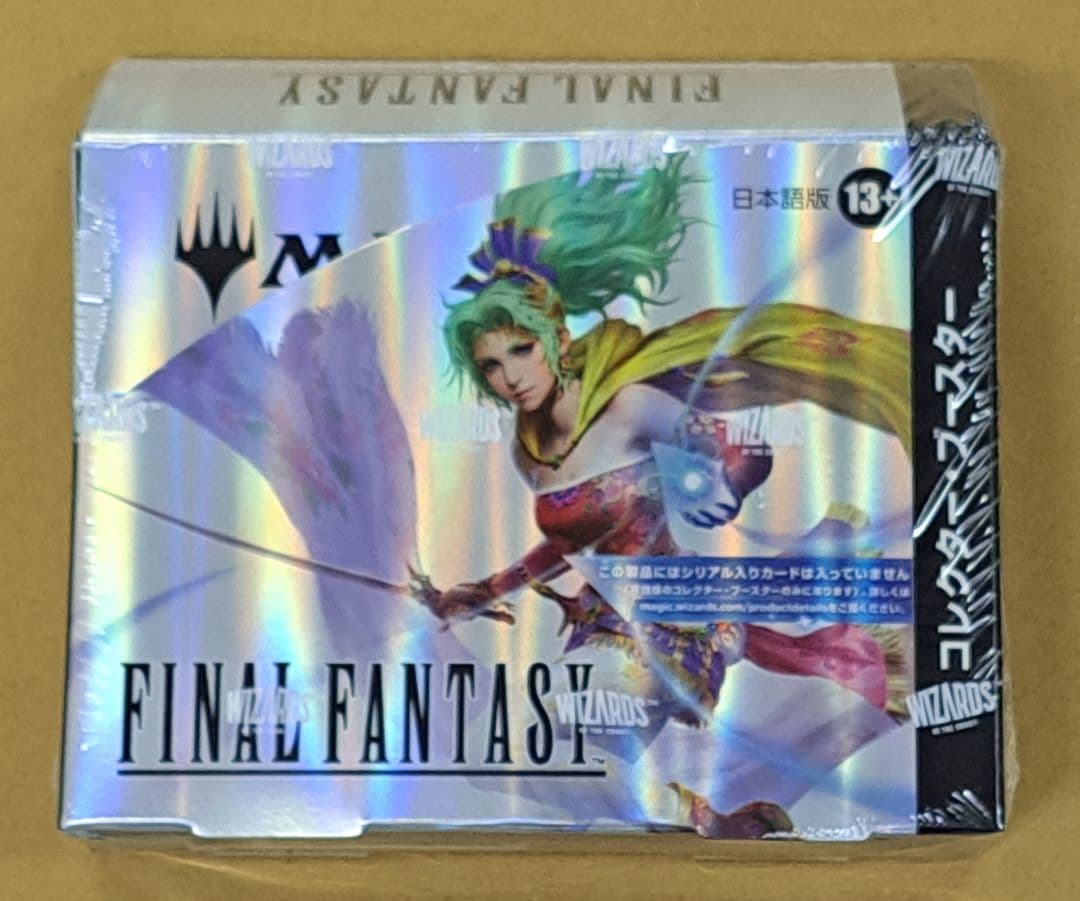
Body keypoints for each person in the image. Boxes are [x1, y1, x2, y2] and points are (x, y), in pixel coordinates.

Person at [428, 154, 912, 726]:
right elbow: (569, 543)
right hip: (604, 618)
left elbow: (745, 450)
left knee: (592, 724)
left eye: (521, 350)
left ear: (557, 337)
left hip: (676, 620)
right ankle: (853, 662)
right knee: (565, 738)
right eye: (489, 365)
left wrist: (720, 483)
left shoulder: (626, 406)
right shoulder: (526, 449)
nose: (510, 377)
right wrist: (485, 591)